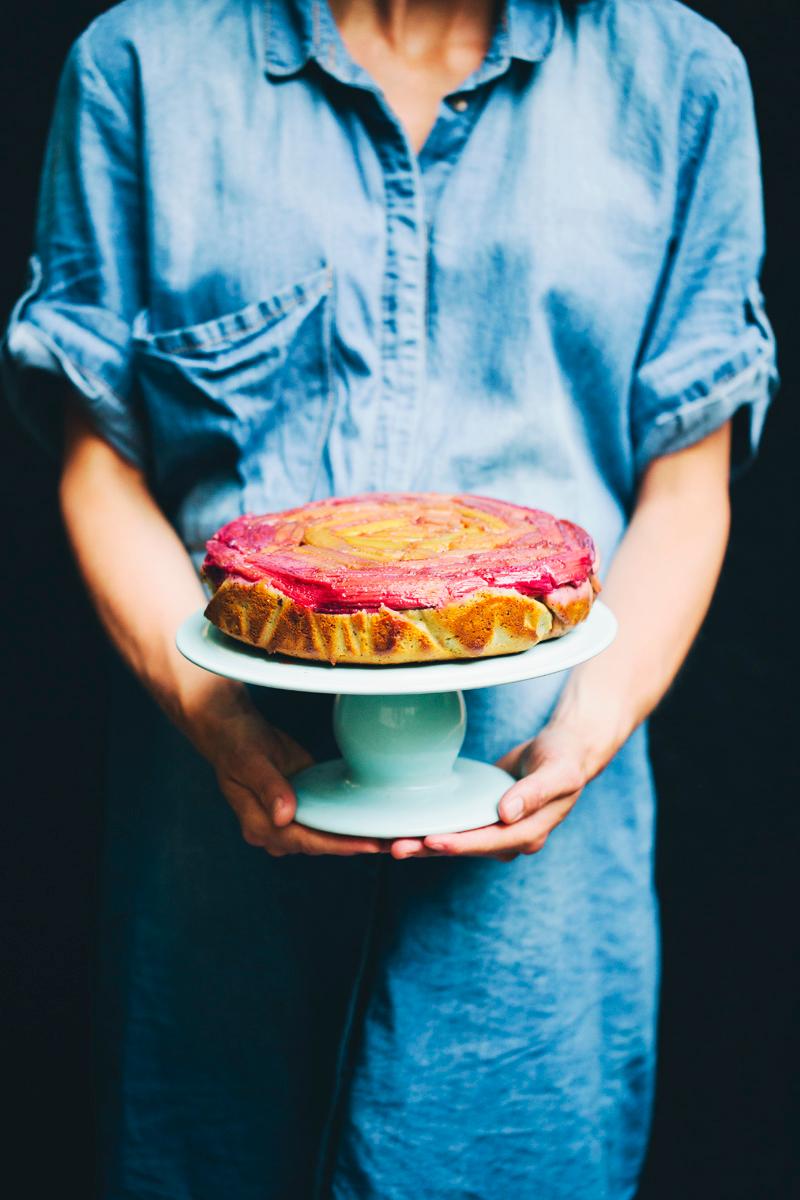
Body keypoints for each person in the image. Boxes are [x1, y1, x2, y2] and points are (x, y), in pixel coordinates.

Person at [3, 0, 776, 1196]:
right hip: (217, 860)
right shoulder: (139, 62)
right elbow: (97, 459)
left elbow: (688, 477)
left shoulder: (678, 75)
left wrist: (587, 732)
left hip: (541, 880)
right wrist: (215, 716)